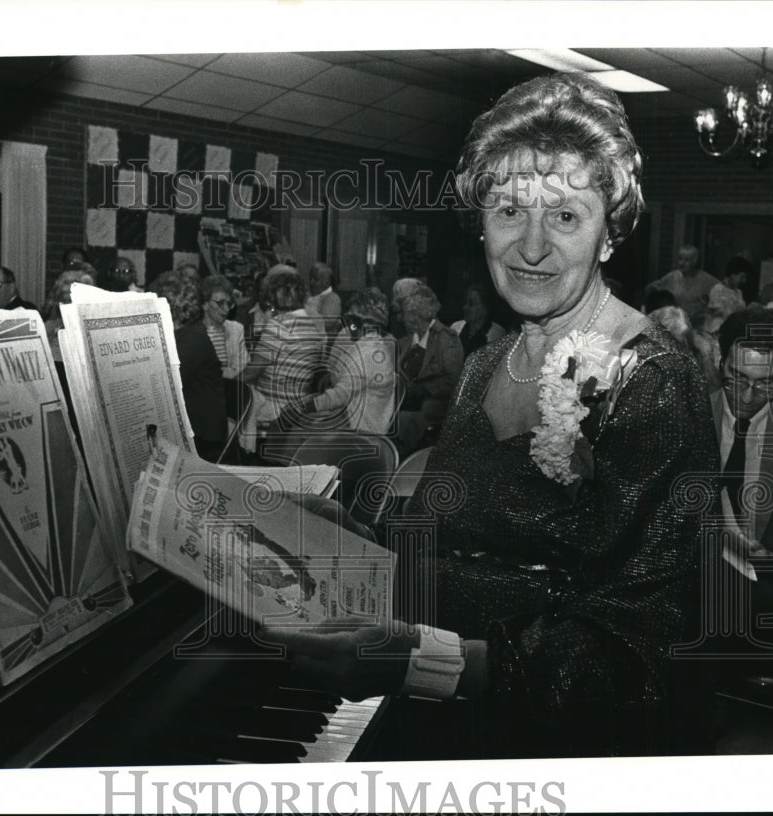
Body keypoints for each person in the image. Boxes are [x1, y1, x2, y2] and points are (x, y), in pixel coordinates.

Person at [264, 72, 719, 759]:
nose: (530, 247)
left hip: (550, 748)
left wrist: (420, 663)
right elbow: (470, 532)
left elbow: (641, 650)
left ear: (609, 232)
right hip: (448, 726)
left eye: (565, 216)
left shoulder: (653, 385)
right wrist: (355, 529)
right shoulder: (488, 361)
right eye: (508, 211)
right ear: (480, 221)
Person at [709, 308, 773, 654]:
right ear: (718, 359)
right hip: (699, 580)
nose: (746, 395)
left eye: (763, 384)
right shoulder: (690, 414)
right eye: (736, 377)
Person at [279, 287, 397, 435]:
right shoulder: (368, 345)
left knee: (294, 428)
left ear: (366, 323)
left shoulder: (369, 354)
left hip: (360, 431)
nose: (347, 325)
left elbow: (339, 396)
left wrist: (302, 408)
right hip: (351, 418)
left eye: (351, 320)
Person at [238, 269, 325, 453]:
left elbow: (251, 372)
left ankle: (232, 460)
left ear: (278, 295)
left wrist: (225, 385)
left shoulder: (279, 325)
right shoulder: (312, 327)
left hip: (272, 408)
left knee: (224, 406)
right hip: (296, 405)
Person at [154, 272, 228, 461]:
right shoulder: (183, 333)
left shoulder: (193, 337)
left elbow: (166, 380)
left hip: (203, 438)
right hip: (190, 428)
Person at [394, 283, 464, 457]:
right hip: (404, 403)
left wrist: (423, 388)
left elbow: (455, 381)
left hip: (433, 406)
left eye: (402, 313)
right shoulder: (406, 340)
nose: (399, 318)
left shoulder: (447, 339)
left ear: (415, 315)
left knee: (400, 422)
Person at [645, 244, 718, 321]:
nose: (682, 263)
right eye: (680, 259)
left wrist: (706, 306)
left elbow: (722, 291)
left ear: (695, 261)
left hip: (697, 324)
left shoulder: (705, 278)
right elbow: (650, 288)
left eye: (687, 260)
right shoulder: (672, 276)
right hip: (676, 322)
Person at [200, 274, 249, 379]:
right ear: (205, 304)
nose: (226, 309)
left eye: (229, 304)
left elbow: (243, 368)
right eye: (220, 303)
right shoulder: (192, 332)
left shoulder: (236, 329)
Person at [449, 283, 505, 358]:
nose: (465, 308)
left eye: (471, 304)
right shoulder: (455, 328)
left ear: (485, 309)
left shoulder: (497, 334)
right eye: (465, 302)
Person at [303, 261, 342, 338]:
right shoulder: (306, 295)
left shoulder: (333, 298)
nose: (311, 282)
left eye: (316, 279)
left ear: (327, 281)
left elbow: (326, 324)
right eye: (310, 278)